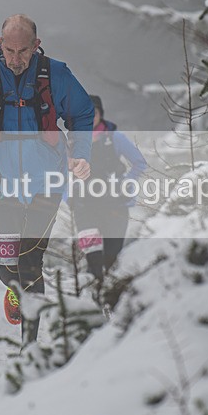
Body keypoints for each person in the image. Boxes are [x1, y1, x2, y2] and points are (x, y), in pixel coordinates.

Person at [0, 14, 94, 343]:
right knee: (8, 266)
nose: (15, 59)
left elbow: (82, 114)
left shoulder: (55, 74)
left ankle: (30, 343)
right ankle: (14, 290)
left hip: (48, 180)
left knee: (31, 261)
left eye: (23, 51)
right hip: (3, 183)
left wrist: (81, 153)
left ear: (36, 45)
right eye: (10, 50)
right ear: (0, 45)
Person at [70, 95, 146, 294]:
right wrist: (67, 195)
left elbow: (139, 163)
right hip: (84, 207)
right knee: (93, 260)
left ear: (100, 113)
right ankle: (95, 301)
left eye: (93, 112)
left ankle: (114, 302)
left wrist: (126, 182)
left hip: (115, 205)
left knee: (112, 259)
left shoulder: (115, 137)